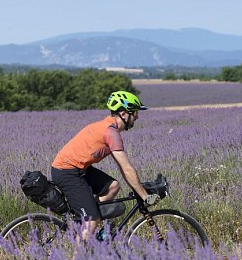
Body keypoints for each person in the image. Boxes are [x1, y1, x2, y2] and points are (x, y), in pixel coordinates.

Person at [51, 90, 160, 242]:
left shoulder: (108, 127)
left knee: (113, 186)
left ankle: (88, 227)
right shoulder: (110, 132)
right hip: (67, 171)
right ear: (123, 113)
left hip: (78, 168)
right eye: (134, 112)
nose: (137, 117)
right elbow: (126, 168)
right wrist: (144, 196)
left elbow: (123, 170)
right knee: (91, 220)